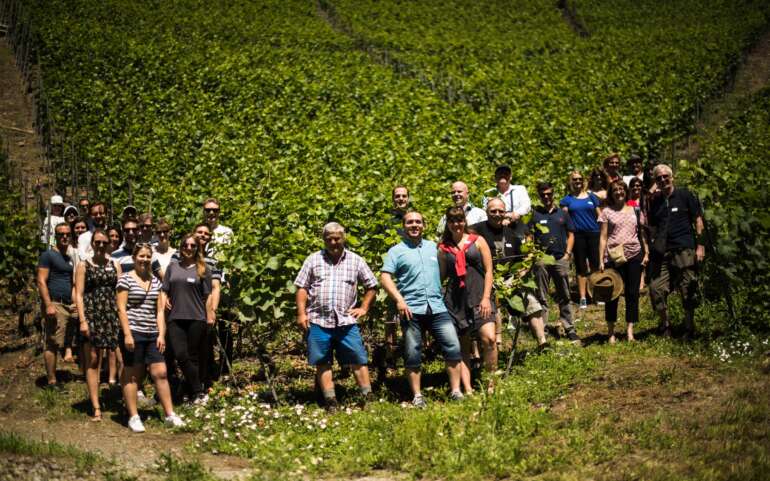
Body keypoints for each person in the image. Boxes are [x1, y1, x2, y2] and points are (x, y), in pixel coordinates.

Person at [381, 211, 463, 407]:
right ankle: (417, 395)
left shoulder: (435, 248)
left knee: (453, 346)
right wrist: (399, 300)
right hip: (411, 309)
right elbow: (385, 277)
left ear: (424, 225)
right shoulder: (396, 251)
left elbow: (444, 271)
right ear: (404, 226)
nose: (414, 225)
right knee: (412, 352)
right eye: (410, 222)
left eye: (418, 222)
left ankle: (456, 391)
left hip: (436, 306)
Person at [294, 222, 377, 410]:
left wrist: (363, 308)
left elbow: (371, 286)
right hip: (318, 320)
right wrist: (301, 313)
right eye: (329, 239)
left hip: (346, 321)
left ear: (343, 238)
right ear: (324, 240)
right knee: (323, 361)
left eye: (337, 238)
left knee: (358, 359)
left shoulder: (356, 260)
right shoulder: (313, 260)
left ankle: (368, 397)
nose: (333, 242)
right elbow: (302, 287)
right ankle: (331, 401)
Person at [117, 244, 185, 432]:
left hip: (152, 333)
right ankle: (133, 416)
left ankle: (170, 414)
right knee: (131, 375)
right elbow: (121, 309)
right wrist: (127, 334)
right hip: (133, 332)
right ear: (134, 257)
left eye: (148, 256)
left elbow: (160, 312)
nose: (145, 259)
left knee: (160, 372)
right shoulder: (125, 280)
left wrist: (161, 334)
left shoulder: (156, 282)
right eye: (141, 256)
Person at [438, 207, 495, 394]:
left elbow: (489, 271)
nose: (457, 224)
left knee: (489, 339)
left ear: (465, 221)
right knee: (463, 346)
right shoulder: (443, 248)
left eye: (460, 220)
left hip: (479, 296)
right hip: (456, 301)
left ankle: (491, 383)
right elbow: (441, 276)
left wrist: (486, 297)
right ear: (448, 223)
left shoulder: (478, 241)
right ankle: (468, 388)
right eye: (453, 221)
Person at [647, 164, 705, 338]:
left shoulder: (685, 195)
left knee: (688, 288)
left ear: (672, 177)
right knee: (655, 288)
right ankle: (665, 326)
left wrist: (700, 246)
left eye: (666, 176)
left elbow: (698, 220)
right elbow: (652, 227)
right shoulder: (655, 202)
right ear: (655, 182)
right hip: (662, 252)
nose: (663, 180)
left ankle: (689, 327)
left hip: (684, 248)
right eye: (659, 178)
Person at [161, 234, 214, 404]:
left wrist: (210, 315)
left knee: (193, 357)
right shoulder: (172, 267)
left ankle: (190, 392)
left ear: (197, 248)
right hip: (176, 317)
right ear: (181, 247)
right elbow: (164, 289)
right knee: (180, 354)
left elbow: (208, 295)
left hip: (196, 317)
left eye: (193, 246)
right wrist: (164, 299)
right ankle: (199, 390)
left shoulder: (203, 269)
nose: (189, 248)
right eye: (186, 245)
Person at [75, 230, 121, 421]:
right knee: (93, 360)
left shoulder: (115, 264)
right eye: (97, 242)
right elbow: (78, 294)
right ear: (92, 244)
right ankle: (95, 406)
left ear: (109, 243)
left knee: (121, 358)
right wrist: (83, 320)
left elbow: (121, 291)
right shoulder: (83, 265)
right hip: (92, 315)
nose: (101, 246)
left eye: (104, 242)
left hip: (112, 314)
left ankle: (124, 400)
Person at [598, 181, 649, 343]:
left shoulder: (635, 209)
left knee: (632, 293)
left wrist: (646, 252)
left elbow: (641, 233)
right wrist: (600, 259)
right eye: (615, 190)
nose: (619, 192)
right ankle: (611, 332)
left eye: (621, 189)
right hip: (614, 256)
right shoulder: (606, 211)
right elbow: (603, 236)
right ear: (611, 194)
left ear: (625, 192)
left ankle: (629, 331)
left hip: (634, 255)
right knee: (611, 293)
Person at [530, 182, 580, 343]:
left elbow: (571, 233)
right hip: (542, 259)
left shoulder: (562, 213)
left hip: (560, 258)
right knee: (541, 295)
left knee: (564, 294)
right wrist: (533, 255)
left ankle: (569, 327)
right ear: (539, 195)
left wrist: (567, 254)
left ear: (553, 194)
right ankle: (542, 328)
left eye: (549, 194)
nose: (546, 197)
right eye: (543, 194)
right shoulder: (535, 214)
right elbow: (528, 236)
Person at [37, 222, 76, 387]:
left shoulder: (68, 258)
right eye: (61, 234)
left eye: (67, 233)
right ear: (55, 236)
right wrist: (48, 305)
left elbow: (70, 282)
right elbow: (41, 281)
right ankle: (52, 381)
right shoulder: (48, 255)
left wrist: (75, 302)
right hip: (55, 302)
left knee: (70, 338)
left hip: (69, 304)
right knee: (52, 342)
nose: (65, 236)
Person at [560, 170, 602, 309]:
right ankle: (583, 297)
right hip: (578, 236)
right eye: (574, 179)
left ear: (583, 181)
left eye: (579, 179)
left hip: (594, 233)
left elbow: (600, 216)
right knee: (581, 267)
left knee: (596, 266)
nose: (577, 181)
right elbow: (563, 220)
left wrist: (605, 233)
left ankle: (596, 295)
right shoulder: (567, 200)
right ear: (570, 182)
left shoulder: (592, 197)